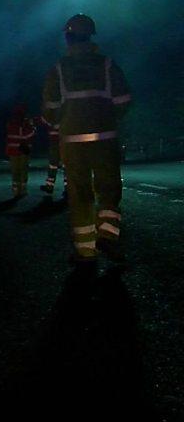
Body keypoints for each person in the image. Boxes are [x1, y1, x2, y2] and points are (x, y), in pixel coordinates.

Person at [42, 14, 130, 264]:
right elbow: (124, 101)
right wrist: (108, 120)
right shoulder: (107, 65)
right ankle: (108, 236)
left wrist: (60, 123)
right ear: (91, 36)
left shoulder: (58, 69)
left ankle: (85, 250)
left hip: (72, 142)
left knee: (80, 193)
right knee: (109, 188)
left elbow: (49, 108)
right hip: (105, 139)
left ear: (67, 37)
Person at [5, 104, 35, 197]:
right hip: (23, 150)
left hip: (12, 150)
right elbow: (27, 135)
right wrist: (33, 127)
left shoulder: (10, 122)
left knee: (15, 170)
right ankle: (23, 190)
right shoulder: (24, 123)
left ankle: (15, 190)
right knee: (23, 170)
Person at [36, 115, 67, 196]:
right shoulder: (66, 115)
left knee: (53, 165)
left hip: (56, 143)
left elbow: (43, 120)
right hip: (64, 143)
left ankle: (50, 187)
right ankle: (67, 188)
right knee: (65, 165)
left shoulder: (53, 117)